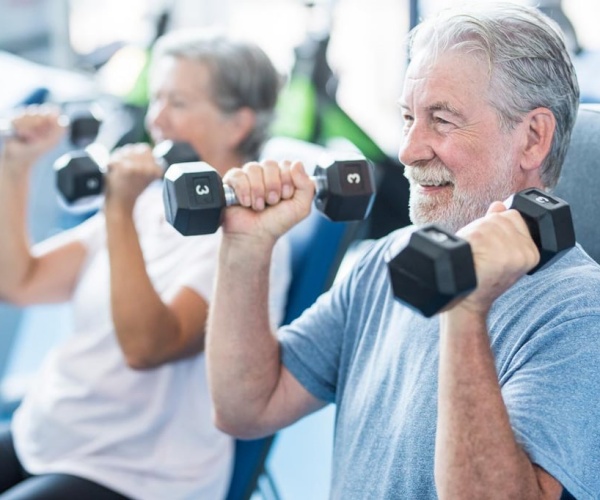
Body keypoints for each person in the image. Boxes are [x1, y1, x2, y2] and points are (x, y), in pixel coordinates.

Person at [205, 3, 600, 499]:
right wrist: (246, 246)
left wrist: (464, 306)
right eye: (409, 117)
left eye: (441, 120)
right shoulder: (385, 260)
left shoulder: (579, 310)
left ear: (533, 139)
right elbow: (246, 406)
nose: (409, 150)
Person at [0, 30, 290, 500]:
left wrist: (117, 210)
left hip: (132, 473)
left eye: (177, 103)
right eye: (156, 99)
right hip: (52, 431)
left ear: (237, 124)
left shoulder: (247, 236)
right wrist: (16, 165)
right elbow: (21, 282)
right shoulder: (150, 198)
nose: (156, 119)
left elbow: (147, 346)